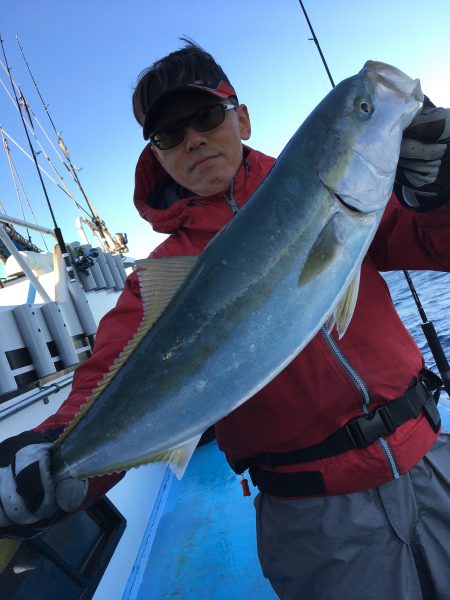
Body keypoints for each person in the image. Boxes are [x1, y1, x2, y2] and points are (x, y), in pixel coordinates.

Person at [1, 40, 450, 598]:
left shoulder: (340, 192)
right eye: (170, 134)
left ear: (241, 118)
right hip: (317, 521)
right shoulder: (157, 277)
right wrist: (52, 448)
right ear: (158, 156)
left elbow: (439, 247)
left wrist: (438, 192)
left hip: (432, 456)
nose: (193, 138)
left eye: (206, 116)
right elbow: (106, 379)